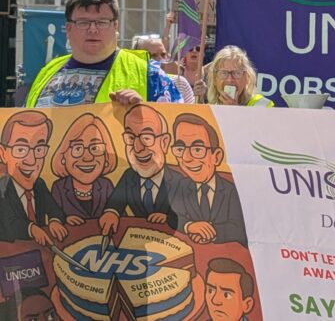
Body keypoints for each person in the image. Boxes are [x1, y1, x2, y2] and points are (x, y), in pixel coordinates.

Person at [26, 0, 179, 107]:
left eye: (102, 22)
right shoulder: (47, 72)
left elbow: (178, 133)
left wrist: (143, 114)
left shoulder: (151, 76)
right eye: (83, 22)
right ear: (68, 28)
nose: (93, 29)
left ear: (115, 26)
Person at [99, 104, 183, 234]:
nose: (138, 148)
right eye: (131, 138)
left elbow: (188, 216)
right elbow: (115, 202)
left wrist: (168, 218)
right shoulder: (129, 176)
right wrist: (111, 213)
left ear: (164, 143)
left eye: (147, 138)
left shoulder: (179, 181)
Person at [172, 113, 247, 245]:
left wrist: (210, 232)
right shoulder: (181, 185)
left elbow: (239, 227)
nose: (186, 158)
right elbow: (171, 215)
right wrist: (189, 226)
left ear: (216, 156)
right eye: (180, 149)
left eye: (197, 149)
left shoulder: (232, 191)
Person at [0, 111, 68, 245]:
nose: (31, 161)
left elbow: (54, 209)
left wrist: (55, 220)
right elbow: (8, 224)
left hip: (39, 254)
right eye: (20, 149)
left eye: (39, 149)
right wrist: (31, 229)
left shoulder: (39, 184)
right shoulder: (2, 188)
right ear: (3, 154)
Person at [50, 113, 117, 222]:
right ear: (63, 156)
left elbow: (120, 217)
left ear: (106, 156)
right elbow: (53, 217)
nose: (87, 157)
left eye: (95, 147)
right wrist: (64, 220)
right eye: (77, 148)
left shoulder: (106, 186)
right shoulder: (59, 188)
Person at [132, 34, 195, 103]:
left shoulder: (180, 83)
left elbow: (191, 112)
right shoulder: (130, 84)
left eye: (163, 55)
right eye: (153, 55)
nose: (160, 59)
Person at [204, 46, 273, 107]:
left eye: (237, 73)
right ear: (215, 79)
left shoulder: (262, 106)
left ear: (247, 78)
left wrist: (235, 111)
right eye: (223, 73)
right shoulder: (207, 110)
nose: (230, 80)